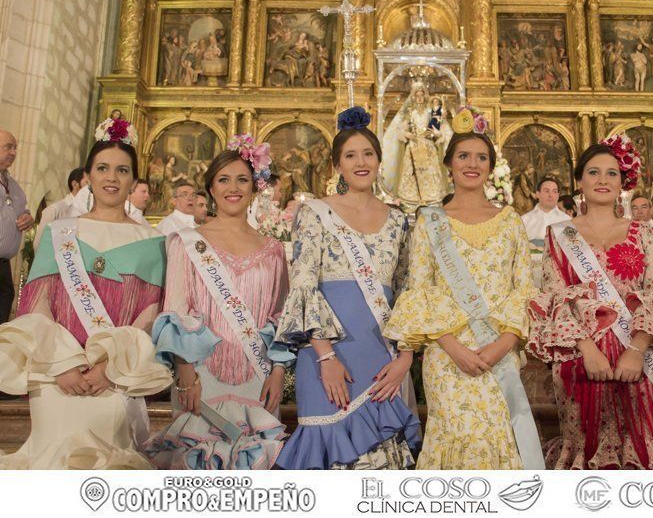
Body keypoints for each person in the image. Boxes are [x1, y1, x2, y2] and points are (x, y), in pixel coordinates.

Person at [0, 125, 172, 468]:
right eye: (103, 168)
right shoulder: (57, 234)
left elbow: (149, 313)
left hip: (114, 377)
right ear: (88, 176)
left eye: (122, 170)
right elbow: (37, 306)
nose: (112, 177)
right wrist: (62, 364)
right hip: (54, 376)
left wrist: (111, 366)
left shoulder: (153, 240)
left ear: (134, 180)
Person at [384, 107, 544, 470]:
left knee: (497, 439)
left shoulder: (511, 222)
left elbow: (523, 292)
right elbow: (420, 289)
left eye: (481, 157)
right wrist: (454, 348)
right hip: (447, 359)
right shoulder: (430, 221)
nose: (473, 164)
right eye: (464, 156)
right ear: (449, 164)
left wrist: (500, 347)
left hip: (499, 354)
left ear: (491, 166)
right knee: (453, 440)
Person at [274, 107, 420, 470]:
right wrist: (326, 358)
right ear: (337, 165)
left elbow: (407, 294)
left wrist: (406, 357)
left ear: (379, 160)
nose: (360, 162)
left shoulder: (399, 220)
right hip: (328, 355)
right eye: (350, 155)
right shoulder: (314, 213)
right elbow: (304, 286)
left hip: (382, 359)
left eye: (367, 153)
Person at [527, 136, 653, 469]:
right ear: (580, 181)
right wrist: (588, 350)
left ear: (622, 181)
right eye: (594, 172)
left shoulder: (644, 232)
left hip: (638, 360)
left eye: (611, 173)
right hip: (580, 360)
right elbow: (556, 297)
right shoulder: (559, 234)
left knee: (642, 451)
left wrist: (637, 350)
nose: (603, 180)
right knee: (588, 457)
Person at [144, 137, 294, 470]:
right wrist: (185, 374)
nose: (233, 188)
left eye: (242, 179)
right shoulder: (187, 243)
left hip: (258, 374)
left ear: (254, 188)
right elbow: (178, 309)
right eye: (223, 179)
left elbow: (281, 316)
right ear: (210, 189)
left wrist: (279, 371)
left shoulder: (273, 250)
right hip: (200, 374)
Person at [0, 129, 34, 323]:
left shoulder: (12, 184)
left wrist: (28, 218)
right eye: (8, 147)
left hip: (3, 265)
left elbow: (22, 208)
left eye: (15, 148)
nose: (13, 152)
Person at [521, 177, 570, 287]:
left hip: (559, 278)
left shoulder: (567, 221)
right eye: (546, 191)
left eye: (555, 191)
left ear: (558, 195)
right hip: (530, 278)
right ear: (537, 194)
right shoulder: (524, 220)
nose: (551, 195)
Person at [34, 167, 87, 250]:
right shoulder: (55, 210)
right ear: (75, 184)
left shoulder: (90, 211)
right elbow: (39, 244)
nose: (91, 187)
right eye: (87, 182)